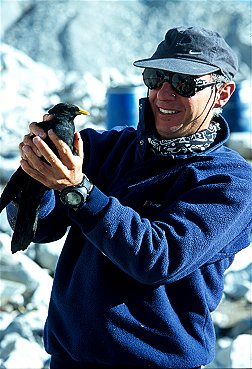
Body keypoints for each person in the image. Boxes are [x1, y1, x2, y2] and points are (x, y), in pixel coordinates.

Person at [6, 26, 252, 369]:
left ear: (223, 94)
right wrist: (37, 175)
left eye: (184, 84)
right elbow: (41, 228)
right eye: (156, 77)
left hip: (155, 363)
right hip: (68, 359)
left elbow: (158, 259)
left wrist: (78, 191)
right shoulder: (105, 147)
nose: (165, 94)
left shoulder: (230, 181)